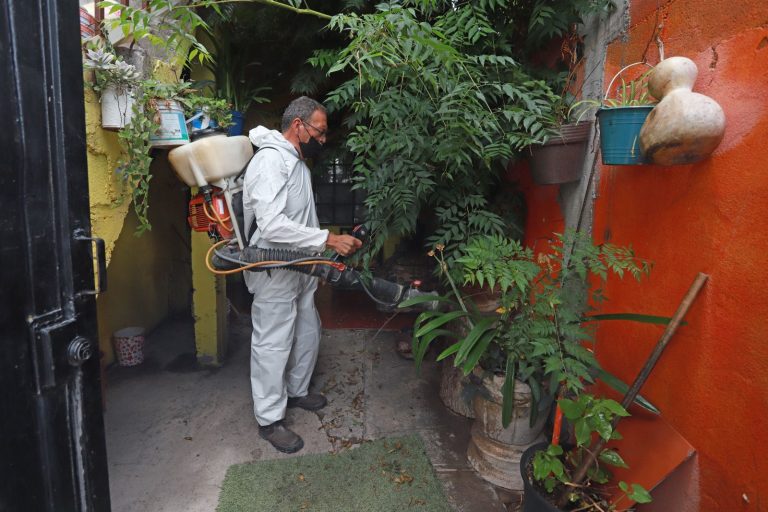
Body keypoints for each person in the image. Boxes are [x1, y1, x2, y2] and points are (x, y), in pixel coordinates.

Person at [242, 97, 362, 453]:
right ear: (298, 126)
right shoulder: (269, 162)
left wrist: (319, 259)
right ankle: (269, 419)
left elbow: (301, 221)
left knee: (307, 330)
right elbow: (272, 225)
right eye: (319, 132)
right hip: (273, 268)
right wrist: (328, 239)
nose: (322, 140)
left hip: (301, 266)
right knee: (273, 341)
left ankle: (296, 391)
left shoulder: (298, 164)